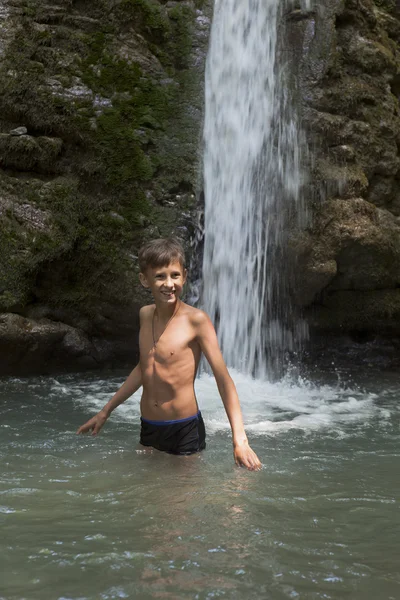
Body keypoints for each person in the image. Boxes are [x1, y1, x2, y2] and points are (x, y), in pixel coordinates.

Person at [77, 238, 261, 471]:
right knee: (149, 497)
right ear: (145, 280)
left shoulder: (196, 321)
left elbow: (224, 380)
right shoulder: (145, 315)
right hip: (149, 426)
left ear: (184, 276)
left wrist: (240, 440)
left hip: (183, 429)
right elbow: (144, 368)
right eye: (160, 276)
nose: (169, 283)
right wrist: (106, 411)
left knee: (179, 504)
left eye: (175, 275)